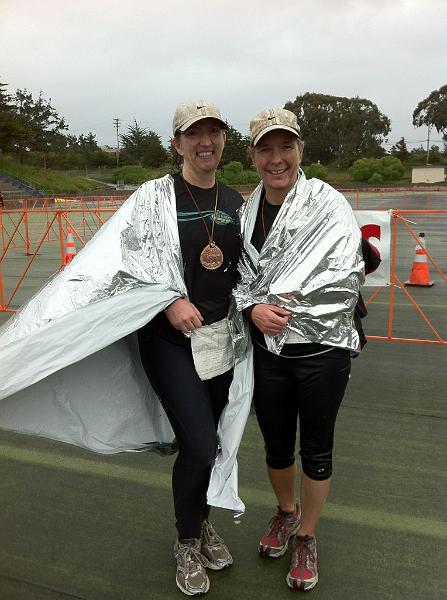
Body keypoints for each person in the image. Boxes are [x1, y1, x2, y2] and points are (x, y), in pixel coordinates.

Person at [230, 108, 366, 591]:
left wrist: (276, 310)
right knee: (275, 445)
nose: (276, 158)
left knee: (317, 449)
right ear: (252, 156)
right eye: (266, 148)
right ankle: (286, 513)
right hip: (268, 355)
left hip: (322, 353)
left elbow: (345, 278)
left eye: (285, 147)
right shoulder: (245, 213)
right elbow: (239, 282)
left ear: (300, 151)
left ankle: (307, 535)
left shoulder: (329, 204)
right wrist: (252, 312)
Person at [136, 100, 244, 596]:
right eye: (194, 134)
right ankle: (185, 540)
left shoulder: (237, 201)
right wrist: (169, 300)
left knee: (209, 445)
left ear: (223, 140)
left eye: (214, 133)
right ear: (177, 143)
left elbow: (254, 268)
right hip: (169, 339)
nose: (206, 142)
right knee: (199, 444)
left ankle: (200, 524)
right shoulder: (154, 197)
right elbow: (130, 262)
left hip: (219, 339)